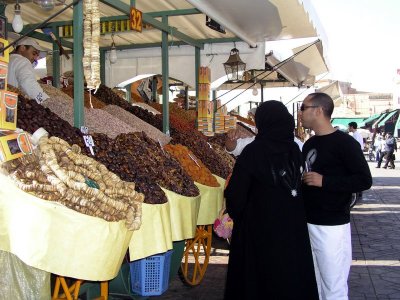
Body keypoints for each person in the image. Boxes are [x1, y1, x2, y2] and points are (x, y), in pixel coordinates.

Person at [224, 101, 318, 300]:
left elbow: (236, 194)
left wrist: (238, 215)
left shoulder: (254, 152)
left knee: (258, 279)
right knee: (289, 276)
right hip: (292, 227)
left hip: (259, 228)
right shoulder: (295, 150)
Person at [300, 92, 372, 300]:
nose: (300, 113)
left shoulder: (345, 143)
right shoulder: (310, 144)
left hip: (332, 224)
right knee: (315, 282)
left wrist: (325, 181)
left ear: (319, 110)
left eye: (304, 108)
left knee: (334, 286)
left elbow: (364, 180)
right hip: (309, 221)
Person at [8, 37, 49, 104]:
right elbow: (28, 82)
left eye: (37, 55)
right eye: (34, 53)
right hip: (12, 103)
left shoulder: (7, 59)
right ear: (22, 48)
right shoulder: (22, 60)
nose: (35, 58)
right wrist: (42, 100)